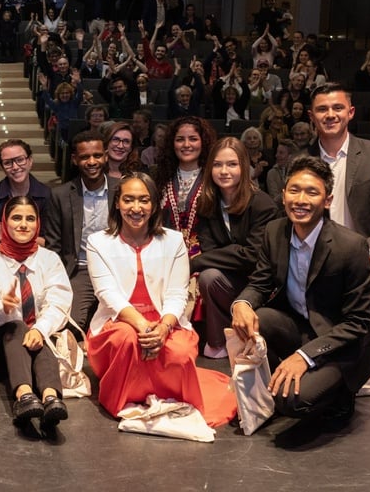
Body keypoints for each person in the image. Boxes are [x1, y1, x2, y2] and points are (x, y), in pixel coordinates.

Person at [231, 156, 370, 421]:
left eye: (312, 192)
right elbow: (260, 283)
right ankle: (291, 374)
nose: (300, 200)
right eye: (294, 190)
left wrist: (305, 356)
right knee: (257, 317)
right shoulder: (274, 231)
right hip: (300, 326)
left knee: (290, 402)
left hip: (339, 341)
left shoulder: (351, 246)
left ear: (328, 200)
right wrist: (241, 303)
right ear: (283, 193)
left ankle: (340, 393)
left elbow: (359, 322)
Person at [85, 173, 237, 426]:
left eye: (144, 200)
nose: (136, 208)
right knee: (127, 340)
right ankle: (122, 399)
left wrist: (163, 327)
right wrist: (144, 327)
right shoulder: (98, 242)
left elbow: (178, 293)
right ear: (117, 203)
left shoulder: (174, 240)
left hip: (165, 322)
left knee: (178, 352)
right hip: (118, 324)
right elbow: (107, 293)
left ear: (154, 205)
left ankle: (165, 394)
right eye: (129, 200)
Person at [0, 197, 72, 428]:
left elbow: (59, 302)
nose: (23, 224)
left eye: (30, 219)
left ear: (38, 224)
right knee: (18, 325)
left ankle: (51, 398)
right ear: (5, 223)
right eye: (16, 218)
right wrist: (4, 309)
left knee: (40, 331)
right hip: (1, 344)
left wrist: (39, 330)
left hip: (39, 344)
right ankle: (24, 395)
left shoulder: (49, 259)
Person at [307, 84, 370, 276]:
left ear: (350, 112)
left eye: (338, 108)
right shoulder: (300, 161)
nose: (330, 115)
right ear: (311, 116)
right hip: (318, 261)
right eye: (322, 109)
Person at [191, 138, 277, 358]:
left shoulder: (262, 204)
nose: (224, 171)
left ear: (244, 167)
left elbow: (252, 256)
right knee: (209, 277)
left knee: (209, 273)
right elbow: (210, 250)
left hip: (259, 285)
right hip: (227, 278)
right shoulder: (206, 203)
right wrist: (232, 254)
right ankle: (219, 344)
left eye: (232, 164)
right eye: (218, 164)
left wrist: (198, 261)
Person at [43, 131, 119, 334]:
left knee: (124, 324)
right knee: (71, 327)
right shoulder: (60, 195)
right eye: (85, 157)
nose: (92, 161)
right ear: (75, 160)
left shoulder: (121, 190)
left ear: (105, 156)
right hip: (81, 269)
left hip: (118, 269)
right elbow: (54, 246)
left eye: (97, 155)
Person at [155, 116, 217, 256]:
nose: (186, 144)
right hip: (165, 253)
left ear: (203, 143)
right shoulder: (161, 177)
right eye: (180, 139)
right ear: (172, 144)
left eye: (193, 139)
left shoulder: (213, 178)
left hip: (204, 256)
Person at [0, 139, 51, 253]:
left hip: (37, 254)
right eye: (7, 163)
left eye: (20, 160)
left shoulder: (47, 195)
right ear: (2, 167)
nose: (15, 167)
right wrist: (30, 236)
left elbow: (48, 241)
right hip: (2, 253)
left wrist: (7, 233)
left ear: (30, 161)